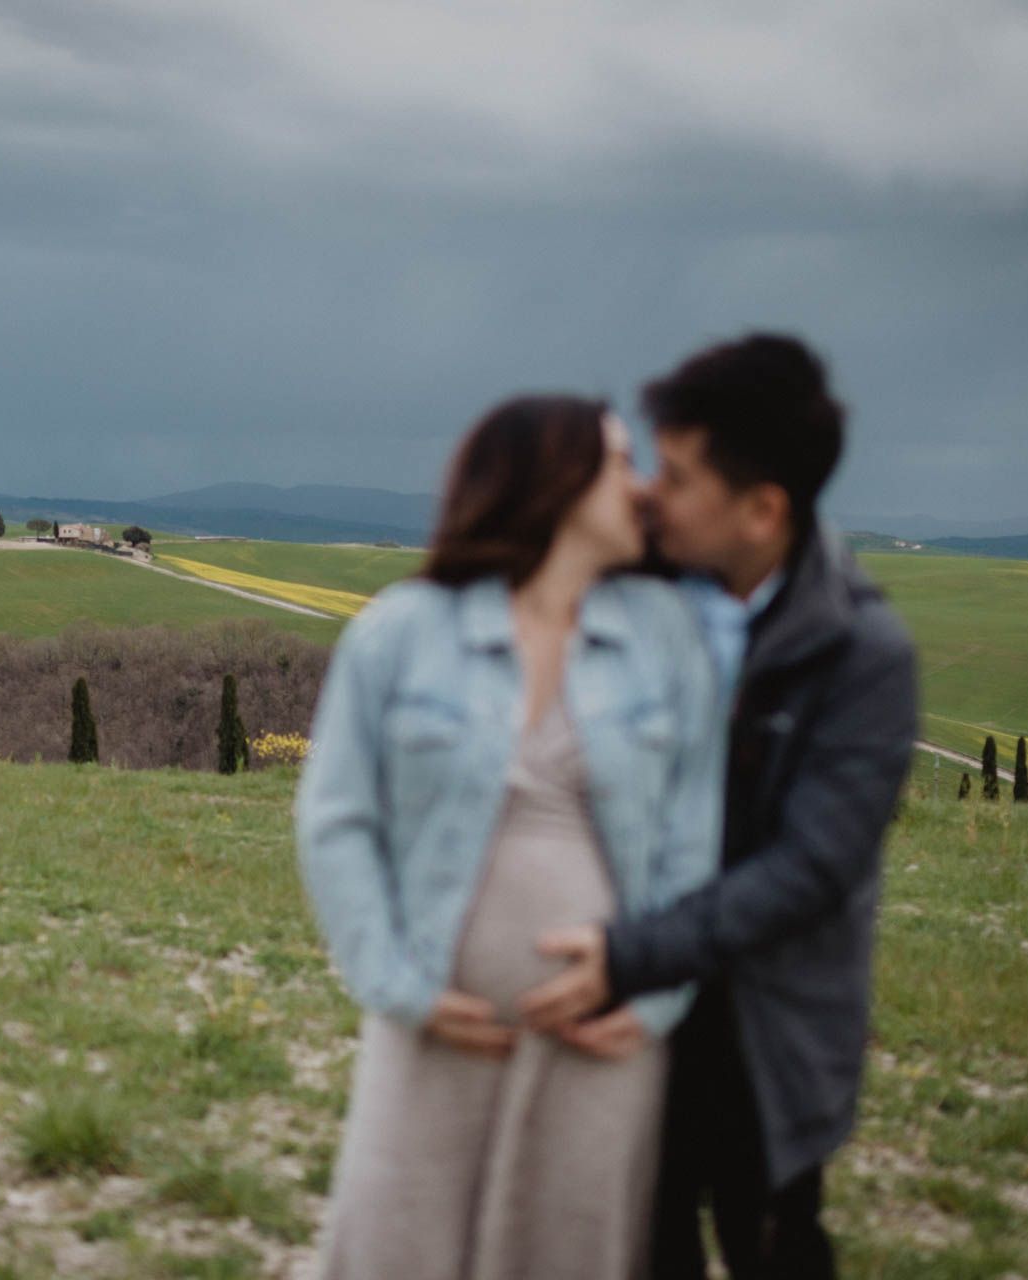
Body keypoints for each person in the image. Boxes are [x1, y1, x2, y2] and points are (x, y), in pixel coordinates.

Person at [295, 394, 724, 1279]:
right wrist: (395, 984)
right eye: (616, 463)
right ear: (554, 483)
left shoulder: (664, 640)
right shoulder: (399, 634)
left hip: (599, 1035)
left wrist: (649, 997)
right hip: (432, 1025)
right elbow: (337, 821)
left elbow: (694, 844)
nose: (640, 488)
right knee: (398, 1245)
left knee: (568, 1250)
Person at [516, 335, 919, 1278]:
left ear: (762, 510)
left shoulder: (863, 654)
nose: (652, 491)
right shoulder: (623, 585)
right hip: (624, 1012)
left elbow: (814, 867)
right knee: (637, 1243)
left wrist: (633, 956)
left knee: (771, 1240)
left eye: (682, 474)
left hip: (764, 1027)